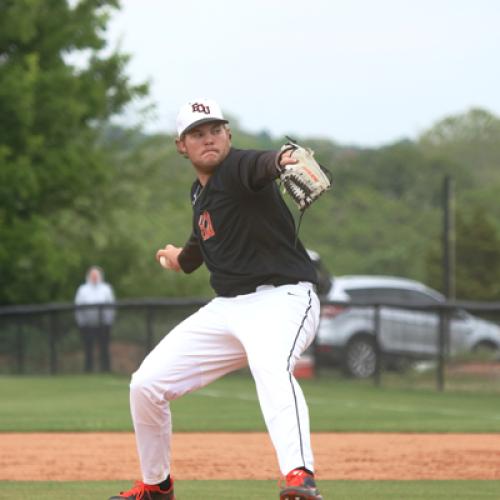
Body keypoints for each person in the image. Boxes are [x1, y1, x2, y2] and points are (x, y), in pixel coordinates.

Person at [109, 98, 323, 500]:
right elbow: (197, 246)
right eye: (196, 132)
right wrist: (178, 259)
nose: (207, 138)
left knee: (271, 367)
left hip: (284, 298)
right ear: (181, 145)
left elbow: (267, 163)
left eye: (214, 130)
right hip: (228, 308)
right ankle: (157, 486)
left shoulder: (239, 168)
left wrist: (288, 158)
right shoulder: (199, 194)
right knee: (146, 385)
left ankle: (299, 475)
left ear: (228, 135)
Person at [74, 266, 116, 373]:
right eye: (92, 275)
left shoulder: (106, 289)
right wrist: (81, 322)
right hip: (87, 325)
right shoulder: (82, 289)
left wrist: (108, 322)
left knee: (104, 348)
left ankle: (106, 369)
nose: (94, 277)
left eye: (96, 275)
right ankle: (88, 370)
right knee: (88, 348)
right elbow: (78, 307)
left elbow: (111, 306)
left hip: (103, 325)